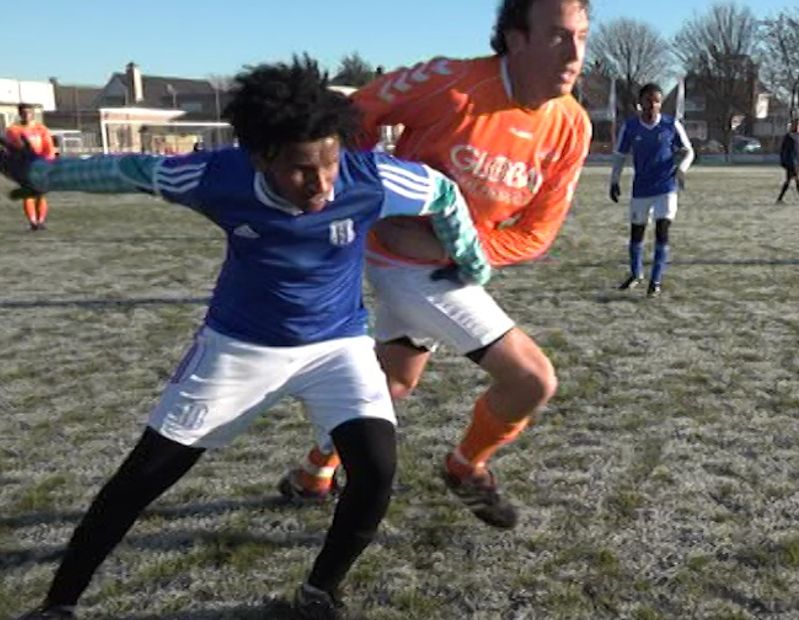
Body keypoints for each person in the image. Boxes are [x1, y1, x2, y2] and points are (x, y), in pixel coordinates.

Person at [6, 56, 490, 620]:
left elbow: (445, 196)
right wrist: (41, 176)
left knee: (377, 472)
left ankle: (319, 592)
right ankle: (57, 606)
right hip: (238, 349)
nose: (322, 183)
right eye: (302, 169)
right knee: (142, 479)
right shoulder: (216, 177)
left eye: (331, 162)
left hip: (337, 348)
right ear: (259, 157)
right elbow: (128, 170)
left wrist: (472, 265)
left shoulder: (371, 178)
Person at [278, 0, 592, 531]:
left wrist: (455, 245)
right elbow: (353, 116)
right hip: (400, 260)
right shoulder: (452, 83)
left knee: (393, 382)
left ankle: (312, 474)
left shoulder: (572, 126)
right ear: (516, 39)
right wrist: (367, 196)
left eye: (582, 37)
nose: (575, 52)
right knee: (532, 380)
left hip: (448, 264)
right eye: (558, 36)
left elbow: (537, 235)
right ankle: (465, 466)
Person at [609, 83, 694, 298]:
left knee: (661, 232)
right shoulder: (630, 127)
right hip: (641, 189)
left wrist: (681, 169)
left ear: (661, 103)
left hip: (666, 187)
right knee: (637, 234)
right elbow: (619, 155)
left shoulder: (670, 125)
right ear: (641, 102)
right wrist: (614, 181)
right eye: (648, 100)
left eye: (656, 101)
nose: (652, 105)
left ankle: (655, 281)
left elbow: (688, 151)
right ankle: (636, 274)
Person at [5, 103, 57, 231]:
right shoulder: (13, 130)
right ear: (20, 114)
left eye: (29, 112)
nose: (26, 114)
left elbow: (48, 146)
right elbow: (10, 148)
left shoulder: (41, 129)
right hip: (23, 165)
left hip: (40, 164)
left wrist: (49, 161)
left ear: (33, 114)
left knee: (40, 194)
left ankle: (41, 221)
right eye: (24, 112)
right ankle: (33, 221)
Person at [776, 119, 799, 205]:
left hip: (798, 161)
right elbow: (783, 150)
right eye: (796, 124)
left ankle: (779, 199)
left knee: (788, 181)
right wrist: (783, 161)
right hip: (791, 161)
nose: (798, 126)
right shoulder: (788, 136)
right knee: (797, 180)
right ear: (792, 125)